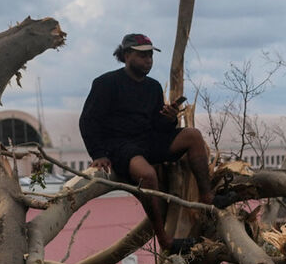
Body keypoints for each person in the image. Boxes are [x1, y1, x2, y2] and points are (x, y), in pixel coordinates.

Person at [79, 33, 214, 251]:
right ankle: (165, 239)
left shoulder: (152, 87)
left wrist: (169, 119)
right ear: (126, 55)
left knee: (193, 135)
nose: (148, 60)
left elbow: (157, 126)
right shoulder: (106, 83)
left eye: (150, 55)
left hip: (147, 140)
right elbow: (88, 121)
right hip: (120, 145)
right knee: (148, 174)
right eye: (142, 55)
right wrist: (98, 154)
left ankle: (208, 197)